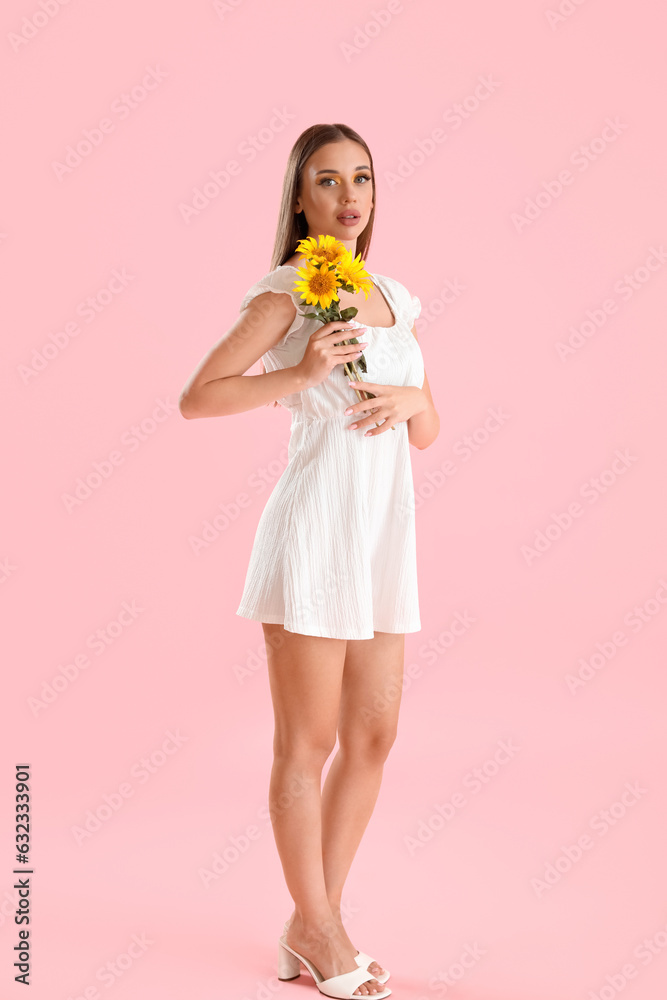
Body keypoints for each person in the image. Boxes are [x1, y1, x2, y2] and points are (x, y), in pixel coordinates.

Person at [179, 123, 439, 998]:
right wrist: (297, 375)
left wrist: (410, 398)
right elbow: (198, 397)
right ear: (300, 200)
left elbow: (427, 426)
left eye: (360, 178)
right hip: (316, 533)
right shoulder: (290, 293)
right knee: (310, 740)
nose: (347, 196)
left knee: (373, 736)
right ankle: (323, 932)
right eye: (326, 182)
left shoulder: (394, 296)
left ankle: (309, 921)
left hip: (380, 540)